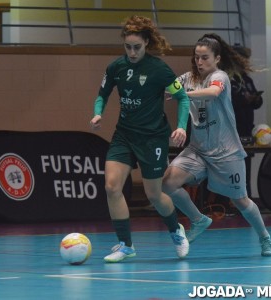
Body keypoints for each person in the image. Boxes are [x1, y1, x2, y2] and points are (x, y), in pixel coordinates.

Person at [162, 33, 271, 256]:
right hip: (198, 150)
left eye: (205, 57)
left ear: (217, 59)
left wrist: (184, 95)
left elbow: (213, 93)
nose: (200, 62)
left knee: (241, 201)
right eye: (197, 57)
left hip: (226, 153)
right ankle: (198, 220)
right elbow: (169, 88)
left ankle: (265, 238)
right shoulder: (187, 78)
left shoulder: (220, 77)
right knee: (168, 183)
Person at [90, 15, 190, 263]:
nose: (132, 52)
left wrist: (181, 127)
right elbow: (102, 95)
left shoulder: (159, 69)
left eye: (137, 47)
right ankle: (126, 245)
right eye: (128, 47)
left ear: (146, 43)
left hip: (153, 138)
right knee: (112, 187)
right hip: (124, 134)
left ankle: (176, 230)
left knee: (154, 195)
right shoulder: (116, 67)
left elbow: (183, 98)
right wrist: (97, 113)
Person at [231, 47, 263, 197]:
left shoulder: (247, 80)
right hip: (232, 132)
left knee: (246, 168)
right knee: (232, 170)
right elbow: (229, 102)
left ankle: (247, 200)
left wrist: (256, 99)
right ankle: (229, 202)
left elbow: (256, 104)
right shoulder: (228, 79)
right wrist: (244, 100)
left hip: (247, 130)